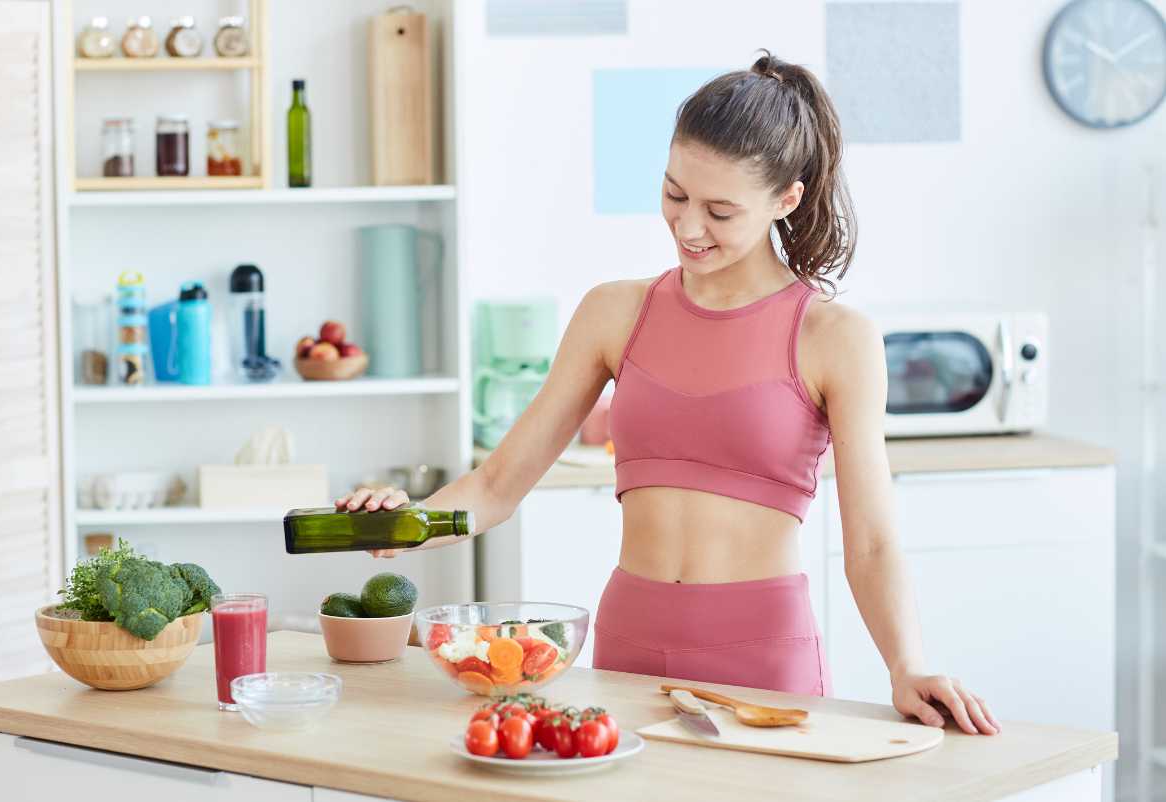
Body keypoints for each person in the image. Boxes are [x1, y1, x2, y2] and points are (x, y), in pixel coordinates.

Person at [339, 52, 999, 736]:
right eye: (675, 194)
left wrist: (906, 665)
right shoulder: (614, 311)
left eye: (719, 211)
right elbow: (498, 486)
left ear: (786, 200)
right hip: (628, 649)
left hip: (762, 658)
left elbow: (871, 542)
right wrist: (406, 524)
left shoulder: (835, 337)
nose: (688, 228)